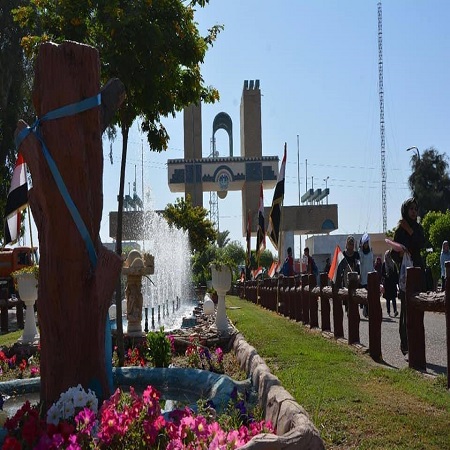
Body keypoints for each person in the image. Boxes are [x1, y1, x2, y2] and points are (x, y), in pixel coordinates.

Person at [391, 197, 426, 356]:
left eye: (415, 209)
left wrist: (410, 230)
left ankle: (417, 343)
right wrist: (399, 253)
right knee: (405, 310)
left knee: (419, 308)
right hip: (405, 275)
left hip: (417, 271)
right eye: (411, 209)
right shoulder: (399, 230)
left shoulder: (418, 228)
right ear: (405, 210)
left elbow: (421, 243)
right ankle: (405, 344)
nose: (413, 212)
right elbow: (393, 254)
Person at [359, 233, 374, 318]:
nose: (366, 245)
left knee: (370, 294)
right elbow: (360, 262)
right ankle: (365, 309)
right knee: (365, 294)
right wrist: (360, 250)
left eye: (366, 243)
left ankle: (368, 311)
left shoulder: (370, 252)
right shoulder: (361, 253)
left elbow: (372, 263)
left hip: (370, 276)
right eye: (364, 243)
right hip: (363, 276)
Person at [381, 250, 398, 317]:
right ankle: (388, 312)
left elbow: (396, 274)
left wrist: (396, 282)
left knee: (393, 298)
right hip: (387, 284)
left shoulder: (393, 263)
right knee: (388, 299)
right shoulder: (384, 264)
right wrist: (386, 275)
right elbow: (382, 273)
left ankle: (395, 311)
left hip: (392, 283)